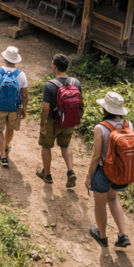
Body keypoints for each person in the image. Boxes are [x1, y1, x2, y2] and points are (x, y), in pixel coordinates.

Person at [85, 91, 132, 248]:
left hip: (104, 172)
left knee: (100, 204)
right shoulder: (128, 125)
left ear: (105, 109)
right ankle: (122, 234)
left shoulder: (100, 128)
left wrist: (88, 176)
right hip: (122, 172)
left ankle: (102, 236)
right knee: (112, 198)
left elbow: (96, 156)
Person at [36, 53, 80, 187]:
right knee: (65, 145)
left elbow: (45, 108)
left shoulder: (49, 85)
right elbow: (79, 104)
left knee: (46, 146)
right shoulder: (76, 82)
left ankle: (47, 175)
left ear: (54, 67)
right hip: (69, 120)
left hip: (52, 122)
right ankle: (70, 171)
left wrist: (42, 124)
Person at [0, 46, 28, 168]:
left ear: (4, 58)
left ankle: (2, 156)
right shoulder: (21, 75)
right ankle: (6, 147)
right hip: (14, 108)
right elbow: (25, 95)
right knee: (10, 128)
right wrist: (24, 109)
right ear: (16, 60)